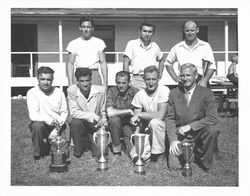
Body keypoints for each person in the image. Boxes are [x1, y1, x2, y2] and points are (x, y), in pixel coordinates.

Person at [166, 63, 219, 173]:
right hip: (181, 135)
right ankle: (192, 153)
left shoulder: (207, 93)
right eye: (182, 75)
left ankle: (205, 161)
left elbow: (212, 118)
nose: (185, 79)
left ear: (196, 76)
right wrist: (173, 140)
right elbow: (170, 118)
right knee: (174, 166)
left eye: (188, 75)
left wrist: (190, 126)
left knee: (212, 130)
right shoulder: (174, 93)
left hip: (200, 132)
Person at [130, 65, 170, 168]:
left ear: (158, 79)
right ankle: (146, 153)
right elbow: (136, 121)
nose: (151, 82)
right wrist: (137, 138)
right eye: (148, 79)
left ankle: (159, 155)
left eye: (154, 79)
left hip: (165, 129)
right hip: (149, 132)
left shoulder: (164, 90)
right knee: (135, 155)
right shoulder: (140, 94)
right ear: (143, 79)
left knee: (155, 122)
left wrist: (139, 114)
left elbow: (160, 115)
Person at [26, 66, 68, 160]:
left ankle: (50, 145)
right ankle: (38, 153)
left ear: (52, 80)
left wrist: (56, 129)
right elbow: (34, 115)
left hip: (57, 126)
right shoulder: (32, 93)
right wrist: (50, 121)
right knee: (37, 126)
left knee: (63, 153)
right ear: (38, 79)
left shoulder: (59, 92)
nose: (45, 82)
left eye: (48, 79)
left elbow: (64, 112)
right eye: (42, 79)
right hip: (42, 125)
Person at [67, 68, 106, 158]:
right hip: (81, 124)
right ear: (77, 81)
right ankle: (78, 149)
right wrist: (92, 115)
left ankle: (92, 143)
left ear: (91, 80)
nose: (85, 84)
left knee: (100, 154)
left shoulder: (101, 91)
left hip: (95, 125)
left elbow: (102, 110)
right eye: (82, 81)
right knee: (75, 122)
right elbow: (74, 112)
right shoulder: (71, 90)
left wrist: (104, 123)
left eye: (87, 80)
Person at [164, 20, 216, 87]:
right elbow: (168, 63)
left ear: (197, 30)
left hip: (201, 82)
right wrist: (175, 77)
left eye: (192, 30)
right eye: (187, 30)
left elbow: (212, 66)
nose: (190, 33)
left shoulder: (205, 46)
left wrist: (205, 80)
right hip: (184, 82)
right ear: (184, 31)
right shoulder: (177, 47)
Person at [66, 16, 108, 88]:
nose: (86, 29)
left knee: (96, 97)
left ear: (92, 28)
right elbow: (70, 64)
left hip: (94, 74)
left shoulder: (99, 42)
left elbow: (103, 62)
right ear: (80, 28)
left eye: (88, 27)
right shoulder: (73, 43)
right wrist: (70, 82)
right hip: (79, 74)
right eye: (83, 27)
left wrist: (105, 82)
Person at [106, 71, 139, 161]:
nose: (121, 85)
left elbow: (138, 112)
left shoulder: (135, 91)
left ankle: (130, 148)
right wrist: (128, 111)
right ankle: (116, 150)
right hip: (115, 124)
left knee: (131, 147)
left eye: (124, 83)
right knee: (114, 120)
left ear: (129, 82)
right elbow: (110, 112)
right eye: (118, 82)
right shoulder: (111, 91)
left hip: (129, 123)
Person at [123, 22, 164, 90]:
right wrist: (126, 79)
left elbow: (162, 59)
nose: (147, 34)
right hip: (136, 80)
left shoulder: (155, 46)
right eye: (144, 31)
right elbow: (126, 62)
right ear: (140, 32)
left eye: (150, 32)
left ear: (153, 33)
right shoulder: (132, 44)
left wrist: (159, 75)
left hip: (151, 81)